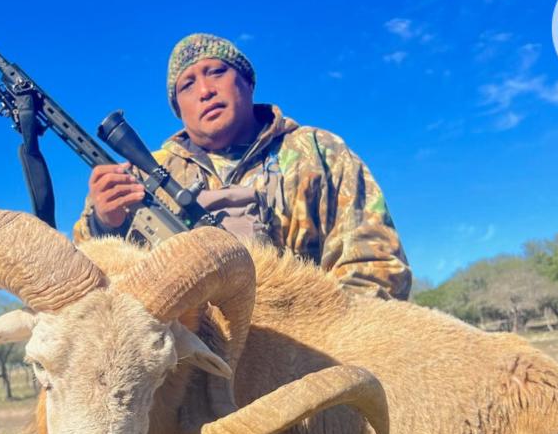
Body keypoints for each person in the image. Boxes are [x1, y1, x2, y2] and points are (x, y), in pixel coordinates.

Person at [73, 33, 412, 300]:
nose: (205, 90)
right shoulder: (141, 176)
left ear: (248, 82)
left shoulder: (318, 151)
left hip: (304, 362)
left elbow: (375, 266)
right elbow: (88, 283)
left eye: (217, 72)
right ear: (179, 109)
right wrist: (105, 225)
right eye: (187, 85)